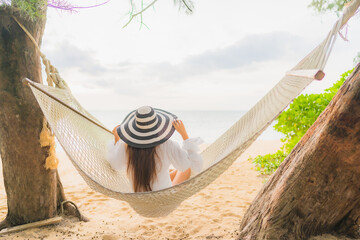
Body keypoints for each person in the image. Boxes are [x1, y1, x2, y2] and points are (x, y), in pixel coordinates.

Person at [106, 106, 203, 193]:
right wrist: (184, 134)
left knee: (167, 171)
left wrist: (117, 140)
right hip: (163, 198)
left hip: (139, 203)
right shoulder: (167, 145)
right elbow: (196, 165)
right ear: (158, 125)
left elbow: (115, 165)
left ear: (135, 128)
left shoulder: (126, 147)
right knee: (186, 168)